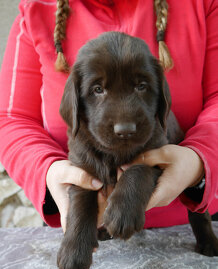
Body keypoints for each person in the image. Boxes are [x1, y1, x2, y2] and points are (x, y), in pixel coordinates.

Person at [0, 0, 218, 233]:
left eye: (141, 86)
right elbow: (12, 118)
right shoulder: (37, 8)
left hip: (183, 229)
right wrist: (47, 171)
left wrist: (200, 160)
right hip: (82, 220)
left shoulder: (202, 3)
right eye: (98, 89)